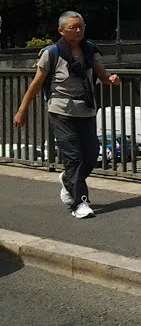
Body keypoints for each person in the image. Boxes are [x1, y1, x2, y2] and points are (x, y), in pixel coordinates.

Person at [12, 11, 120, 218]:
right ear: (61, 30)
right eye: (73, 27)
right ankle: (80, 204)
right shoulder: (52, 53)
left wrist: (111, 79)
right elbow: (36, 85)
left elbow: (101, 74)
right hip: (61, 111)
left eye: (81, 26)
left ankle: (67, 179)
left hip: (86, 109)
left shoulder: (90, 50)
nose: (79, 30)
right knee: (74, 158)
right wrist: (22, 111)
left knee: (91, 155)